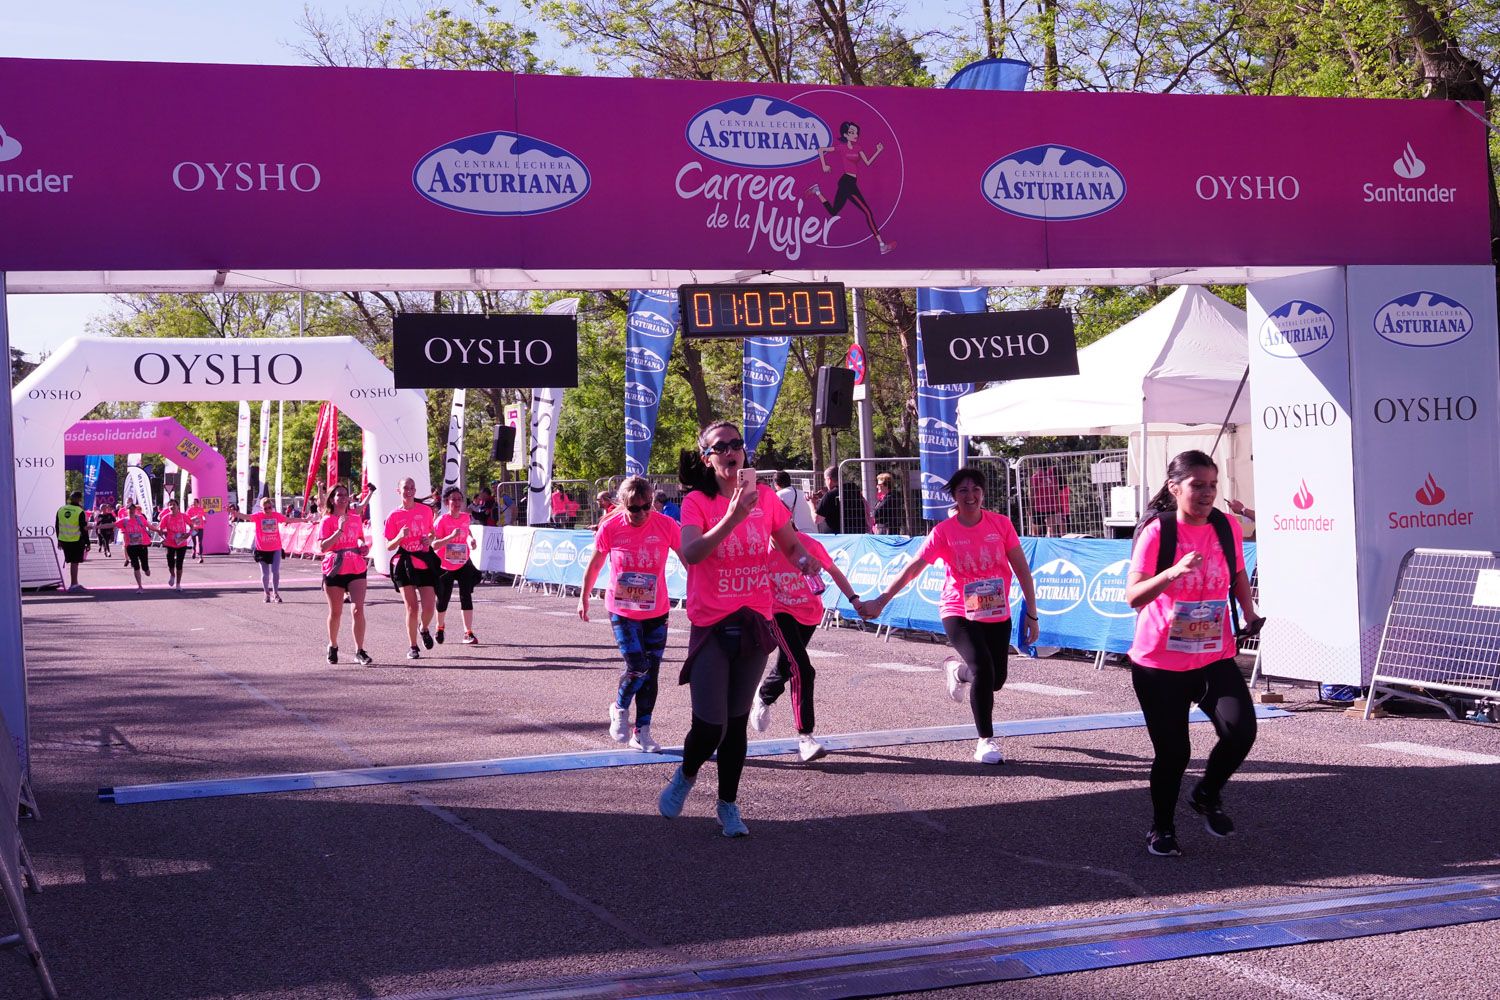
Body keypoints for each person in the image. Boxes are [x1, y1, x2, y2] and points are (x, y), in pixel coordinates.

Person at [656, 421, 821, 837]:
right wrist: (731, 517)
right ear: (706, 457)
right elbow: (692, 553)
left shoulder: (766, 497)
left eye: (736, 445)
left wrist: (804, 562)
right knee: (711, 724)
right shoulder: (696, 502)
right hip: (712, 621)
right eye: (720, 447)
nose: (731, 452)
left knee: (736, 720)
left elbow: (789, 544)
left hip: (755, 620)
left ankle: (728, 805)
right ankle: (687, 773)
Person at [1124, 450, 1262, 858]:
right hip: (1159, 663)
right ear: (1174, 487)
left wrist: (1250, 612)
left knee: (1240, 732)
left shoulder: (1225, 525)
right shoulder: (1157, 532)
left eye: (1212, 485)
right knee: (1174, 753)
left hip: (1214, 654)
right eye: (1197, 485)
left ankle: (1206, 794)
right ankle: (1161, 829)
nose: (1206, 493)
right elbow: (1133, 596)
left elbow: (1237, 572)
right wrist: (1172, 573)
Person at [858, 467, 1038, 765]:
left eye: (975, 489)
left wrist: (1032, 614)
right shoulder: (944, 532)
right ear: (954, 497)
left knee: (995, 680)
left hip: (996, 611)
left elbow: (1022, 569)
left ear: (983, 493)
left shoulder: (1002, 525)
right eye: (963, 491)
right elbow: (914, 568)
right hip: (958, 610)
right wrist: (881, 600)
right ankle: (985, 741)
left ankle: (958, 671)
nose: (971, 496)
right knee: (983, 668)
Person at [578, 475, 682, 754]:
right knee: (638, 667)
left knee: (653, 672)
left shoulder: (666, 525)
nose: (641, 513)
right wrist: (583, 597)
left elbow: (688, 559)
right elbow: (596, 562)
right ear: (622, 505)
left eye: (646, 506)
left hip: (656, 610)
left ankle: (643, 731)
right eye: (634, 508)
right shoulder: (611, 526)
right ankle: (620, 707)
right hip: (622, 610)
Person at [752, 529, 859, 762]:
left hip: (809, 614)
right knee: (802, 669)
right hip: (779, 613)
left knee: (787, 667)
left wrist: (854, 599)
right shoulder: (760, 551)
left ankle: (763, 695)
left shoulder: (807, 544)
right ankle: (805, 737)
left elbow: (833, 571)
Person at [808, 120, 896, 254]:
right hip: (846, 182)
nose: (855, 134)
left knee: (833, 212)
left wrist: (878, 151)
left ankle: (817, 191)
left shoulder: (858, 148)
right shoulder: (841, 147)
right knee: (867, 212)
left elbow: (867, 162)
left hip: (850, 183)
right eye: (851, 132)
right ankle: (881, 245)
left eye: (856, 132)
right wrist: (824, 165)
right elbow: (821, 149)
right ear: (845, 134)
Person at [319, 483, 374, 666]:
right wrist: (339, 530)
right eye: (339, 495)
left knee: (358, 609)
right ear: (332, 499)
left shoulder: (355, 518)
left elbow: (359, 539)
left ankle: (360, 650)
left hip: (356, 567)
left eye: (345, 495)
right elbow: (323, 547)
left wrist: (363, 547)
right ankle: (333, 645)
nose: (343, 498)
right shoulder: (327, 520)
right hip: (335, 567)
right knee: (336, 612)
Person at [385, 477, 440, 660]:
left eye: (411, 488)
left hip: (423, 561)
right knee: (411, 608)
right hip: (403, 563)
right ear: (398, 491)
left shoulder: (425, 511)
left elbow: (432, 532)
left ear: (415, 491)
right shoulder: (393, 516)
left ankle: (423, 628)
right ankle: (413, 646)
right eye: (405, 488)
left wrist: (429, 539)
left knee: (430, 606)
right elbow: (389, 546)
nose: (409, 491)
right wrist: (400, 537)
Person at [433, 487, 482, 645]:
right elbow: (434, 544)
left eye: (459, 499)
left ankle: (468, 632)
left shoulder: (465, 518)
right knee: (443, 598)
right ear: (447, 502)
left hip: (462, 562)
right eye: (453, 499)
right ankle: (440, 627)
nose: (457, 502)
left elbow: (467, 533)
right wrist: (450, 537)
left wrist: (471, 542)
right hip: (444, 565)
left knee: (466, 596)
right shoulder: (441, 520)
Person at [235, 497, 307, 603]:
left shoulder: (276, 516)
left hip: (275, 548)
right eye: (265, 508)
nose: (268, 510)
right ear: (261, 508)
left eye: (270, 507)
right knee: (265, 574)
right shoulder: (258, 516)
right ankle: (266, 593)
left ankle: (276, 593)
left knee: (275, 572)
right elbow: (245, 516)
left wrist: (302, 520)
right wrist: (233, 512)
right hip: (262, 549)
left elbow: (288, 520)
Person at [158, 497, 194, 592]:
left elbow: (192, 526)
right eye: (170, 505)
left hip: (181, 543)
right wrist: (162, 538)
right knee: (170, 563)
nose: (172, 506)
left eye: (174, 504)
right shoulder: (166, 517)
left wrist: (188, 534)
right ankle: (172, 575)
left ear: (178, 506)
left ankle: (178, 584)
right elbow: (160, 530)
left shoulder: (183, 516)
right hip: (170, 543)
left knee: (179, 564)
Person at [55, 491, 87, 592]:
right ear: (79, 499)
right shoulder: (79, 511)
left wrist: (59, 539)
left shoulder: (61, 509)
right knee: (75, 562)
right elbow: (83, 528)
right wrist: (87, 542)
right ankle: (74, 584)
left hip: (64, 540)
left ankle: (74, 583)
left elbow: (57, 525)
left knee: (72, 562)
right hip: (76, 540)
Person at [119, 502, 154, 592]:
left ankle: (146, 569)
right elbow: (113, 525)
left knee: (145, 568)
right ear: (127, 511)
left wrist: (159, 531)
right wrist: (97, 526)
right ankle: (140, 586)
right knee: (136, 566)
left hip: (142, 545)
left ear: (135, 510)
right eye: (130, 509)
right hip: (131, 547)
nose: (131, 511)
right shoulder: (124, 520)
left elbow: (149, 526)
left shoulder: (140, 518)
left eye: (133, 509)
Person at [186, 498, 207, 562]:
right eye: (193, 502)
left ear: (198, 503)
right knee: (194, 542)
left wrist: (204, 519)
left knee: (200, 543)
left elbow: (204, 516)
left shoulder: (201, 509)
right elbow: (187, 518)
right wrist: (193, 518)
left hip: (200, 528)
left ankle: (201, 557)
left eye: (195, 502)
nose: (194, 503)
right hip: (194, 528)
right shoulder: (189, 509)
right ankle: (194, 551)